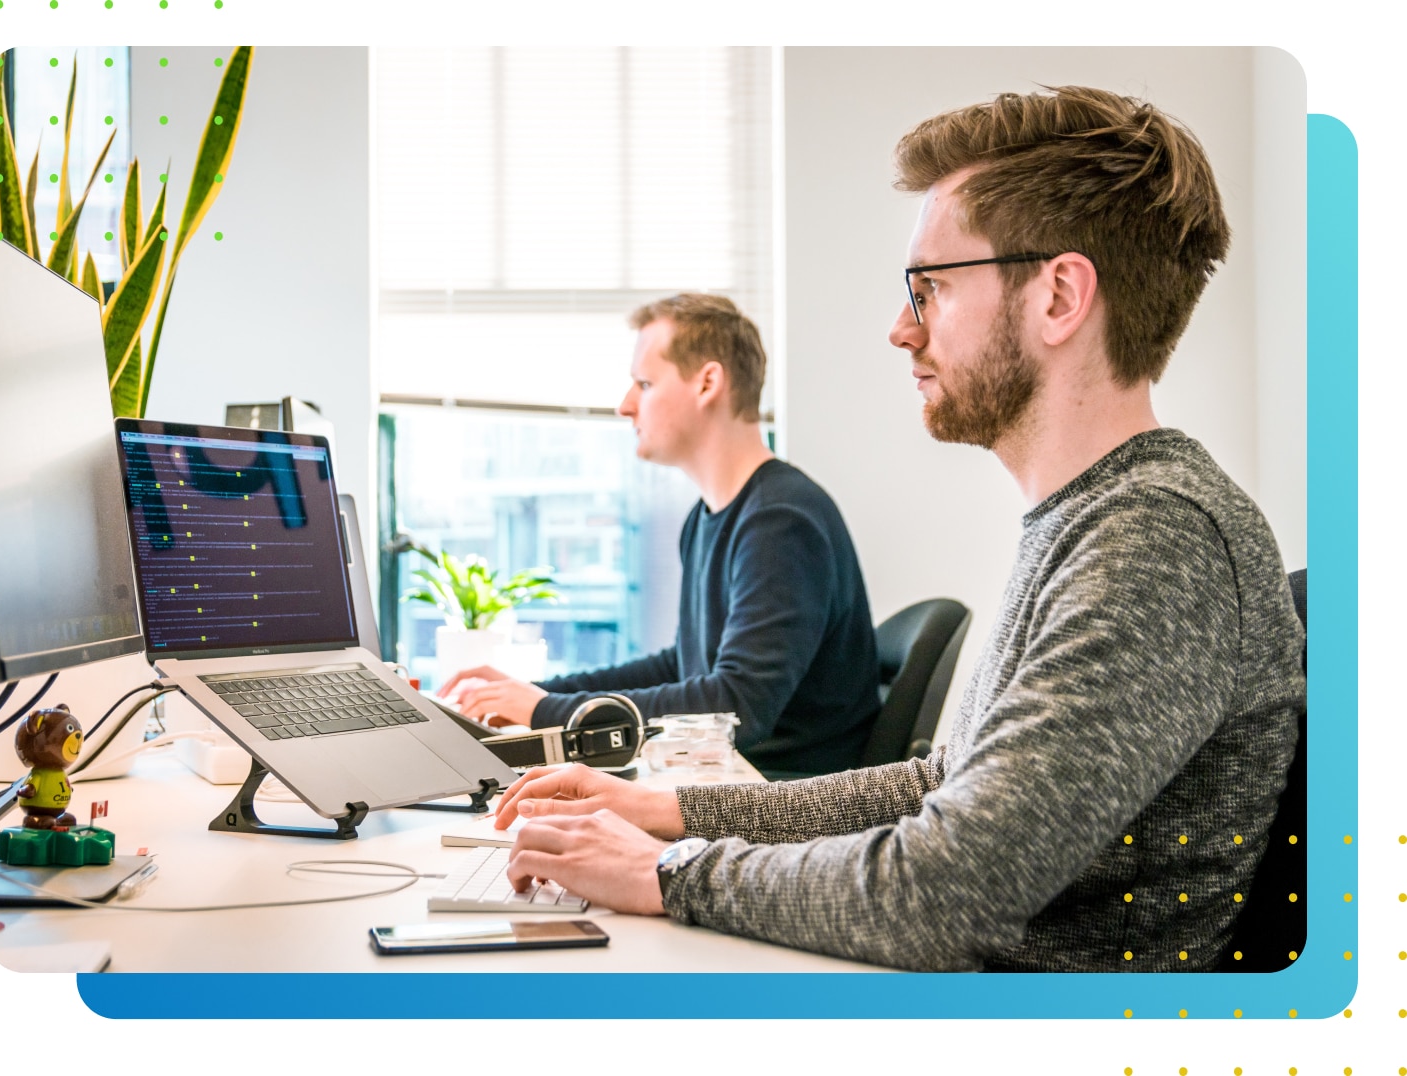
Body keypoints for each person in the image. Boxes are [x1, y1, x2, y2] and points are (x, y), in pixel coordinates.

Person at [486, 86, 1306, 973]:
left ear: (1059, 295)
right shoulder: (1093, 518)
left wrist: (667, 871)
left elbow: (941, 892)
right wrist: (671, 812)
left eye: (930, 288)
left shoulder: (1154, 538)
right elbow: (940, 785)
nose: (900, 328)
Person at [440, 293, 882, 778]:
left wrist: (546, 712)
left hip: (781, 799)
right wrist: (540, 694)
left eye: (645, 383)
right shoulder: (710, 516)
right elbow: (684, 666)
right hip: (729, 779)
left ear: (707, 383)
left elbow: (737, 708)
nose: (625, 405)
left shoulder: (781, 522)